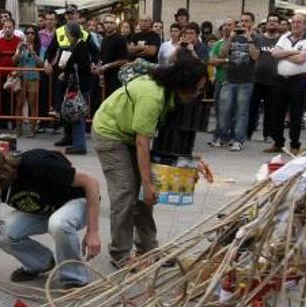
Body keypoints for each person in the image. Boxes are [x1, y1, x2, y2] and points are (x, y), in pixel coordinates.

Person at [92, 52, 207, 268]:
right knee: (126, 192)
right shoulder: (152, 96)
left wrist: (189, 164)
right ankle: (120, 254)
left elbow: (172, 140)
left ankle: (147, 249)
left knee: (146, 197)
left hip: (130, 135)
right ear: (183, 83)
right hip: (110, 133)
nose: (198, 93)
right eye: (196, 88)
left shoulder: (171, 95)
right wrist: (147, 183)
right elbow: (142, 143)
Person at [0, 146, 101, 289]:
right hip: (44, 209)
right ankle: (40, 263)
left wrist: (93, 232)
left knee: (58, 224)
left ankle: (74, 278)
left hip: (78, 203)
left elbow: (90, 182)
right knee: (1, 231)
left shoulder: (36, 164)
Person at [268, 13, 306, 154]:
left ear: (305, 25)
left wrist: (284, 53)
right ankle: (278, 143)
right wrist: (294, 52)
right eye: (293, 22)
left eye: (299, 22)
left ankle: (295, 145)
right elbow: (274, 54)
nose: (295, 24)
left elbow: (302, 59)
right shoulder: (284, 36)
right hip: (280, 80)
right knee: (277, 113)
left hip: (298, 81)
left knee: (295, 114)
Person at [217, 12, 256, 151]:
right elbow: (221, 54)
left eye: (247, 21)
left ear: (252, 23)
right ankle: (223, 137)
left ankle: (238, 140)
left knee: (241, 112)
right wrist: (231, 38)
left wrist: (249, 39)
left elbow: (256, 56)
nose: (243, 24)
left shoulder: (255, 37)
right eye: (242, 21)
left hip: (246, 81)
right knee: (224, 110)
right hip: (230, 78)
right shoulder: (233, 37)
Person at [247, 13, 281, 143]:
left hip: (274, 80)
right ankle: (248, 133)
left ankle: (268, 134)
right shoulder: (258, 38)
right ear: (266, 24)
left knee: (270, 110)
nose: (272, 23)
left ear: (278, 24)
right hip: (256, 79)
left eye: (275, 21)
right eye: (270, 21)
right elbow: (253, 55)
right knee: (252, 108)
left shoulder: (282, 40)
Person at [61, 21, 92, 155]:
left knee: (77, 114)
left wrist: (66, 67)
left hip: (80, 86)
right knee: (76, 114)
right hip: (78, 84)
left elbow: (81, 66)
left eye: (67, 33)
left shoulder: (81, 46)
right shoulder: (76, 46)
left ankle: (79, 145)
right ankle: (77, 143)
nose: (66, 35)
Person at [207, 17, 234, 148]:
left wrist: (222, 61)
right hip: (220, 80)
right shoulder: (218, 43)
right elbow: (211, 61)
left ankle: (223, 136)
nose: (226, 27)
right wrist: (226, 61)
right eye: (224, 25)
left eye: (229, 25)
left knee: (227, 111)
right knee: (219, 110)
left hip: (233, 81)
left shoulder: (239, 43)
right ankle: (220, 135)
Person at [14, 26, 43, 137]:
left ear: (35, 35)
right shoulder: (20, 45)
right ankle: (18, 128)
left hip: (33, 78)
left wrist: (33, 51)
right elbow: (14, 61)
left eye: (32, 33)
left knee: (33, 105)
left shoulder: (40, 47)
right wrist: (19, 50)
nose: (29, 35)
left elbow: (41, 63)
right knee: (19, 104)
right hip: (21, 77)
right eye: (27, 33)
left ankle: (32, 128)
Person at [0, 18, 20, 131]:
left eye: (10, 27)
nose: (7, 29)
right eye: (5, 27)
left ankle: (13, 122)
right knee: (0, 99)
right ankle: (0, 123)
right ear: (3, 28)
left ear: (14, 28)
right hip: (1, 74)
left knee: (13, 99)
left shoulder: (19, 41)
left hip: (14, 76)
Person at [96, 14, 128, 98]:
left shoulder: (120, 39)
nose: (108, 25)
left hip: (116, 78)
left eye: (111, 22)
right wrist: (98, 65)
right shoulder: (104, 39)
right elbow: (102, 57)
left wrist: (106, 66)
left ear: (115, 24)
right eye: (106, 22)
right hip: (105, 78)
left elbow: (124, 60)